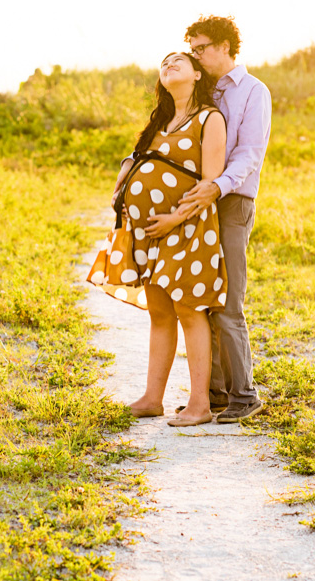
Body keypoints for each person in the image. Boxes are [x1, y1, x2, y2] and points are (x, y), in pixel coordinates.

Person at [87, 52, 229, 427]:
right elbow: (140, 159)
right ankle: (152, 398)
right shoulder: (162, 121)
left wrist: (174, 219)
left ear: (197, 74)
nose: (169, 65)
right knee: (160, 314)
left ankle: (200, 404)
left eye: (178, 61)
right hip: (149, 233)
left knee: (189, 311)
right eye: (164, 63)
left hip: (186, 227)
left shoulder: (209, 119)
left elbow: (209, 183)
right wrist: (126, 171)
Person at [170, 15, 272, 424]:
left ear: (226, 46)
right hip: (201, 202)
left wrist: (218, 187)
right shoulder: (201, 90)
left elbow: (250, 154)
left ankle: (244, 394)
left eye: (201, 48)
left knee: (229, 300)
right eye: (192, 49)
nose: (196, 55)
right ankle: (211, 394)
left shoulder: (253, 91)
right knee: (202, 296)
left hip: (232, 202)